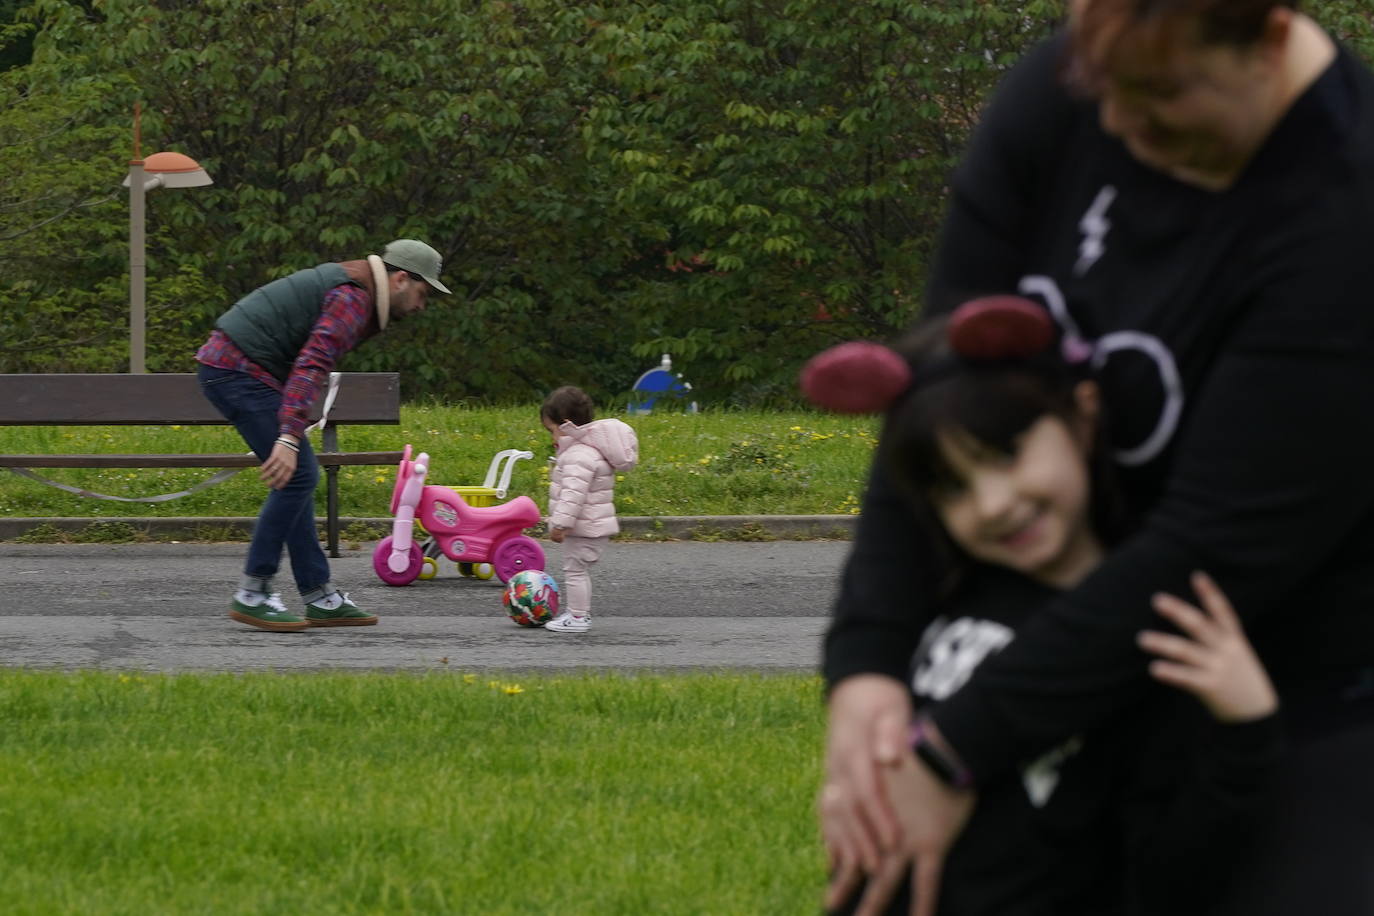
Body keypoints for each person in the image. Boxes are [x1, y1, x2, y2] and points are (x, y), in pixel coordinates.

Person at [821, 2, 1374, 914]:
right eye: (1100, 88)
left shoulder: (1347, 212)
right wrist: (871, 664)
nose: (1116, 126)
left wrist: (953, 750)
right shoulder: (1065, 89)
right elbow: (934, 390)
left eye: (1159, 93)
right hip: (1031, 654)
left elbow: (1211, 549)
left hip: (1268, 691)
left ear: (1270, 38)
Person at [812, 300, 1280, 915]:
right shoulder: (943, 598)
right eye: (953, 486)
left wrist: (1245, 729)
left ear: (1084, 416)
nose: (992, 504)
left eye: (1005, 454)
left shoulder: (1143, 637)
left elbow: (1177, 867)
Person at [196, 239, 450, 632]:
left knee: (300, 476)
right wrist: (288, 435)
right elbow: (312, 363)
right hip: (237, 369)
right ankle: (254, 591)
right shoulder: (352, 298)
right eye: (422, 293)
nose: (421, 305)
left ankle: (318, 595)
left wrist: (289, 434)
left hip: (241, 368)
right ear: (401, 279)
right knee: (299, 475)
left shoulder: (356, 289)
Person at [539, 385, 638, 634]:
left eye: (552, 431)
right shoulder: (589, 450)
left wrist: (560, 524)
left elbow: (573, 495)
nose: (552, 438)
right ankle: (578, 615)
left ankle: (577, 617)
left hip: (584, 527)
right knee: (577, 571)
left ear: (567, 426)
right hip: (591, 525)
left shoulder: (578, 456)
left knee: (574, 571)